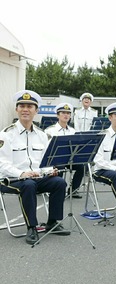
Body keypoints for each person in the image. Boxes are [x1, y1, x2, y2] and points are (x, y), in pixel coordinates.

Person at [0, 90, 70, 244]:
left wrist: (50, 171)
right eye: (22, 106)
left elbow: (45, 162)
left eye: (30, 107)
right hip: (11, 179)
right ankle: (32, 227)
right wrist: (22, 173)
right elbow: (2, 164)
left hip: (35, 177)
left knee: (59, 182)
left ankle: (53, 222)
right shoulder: (6, 134)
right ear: (16, 109)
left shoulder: (42, 135)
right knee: (29, 185)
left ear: (36, 111)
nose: (26, 109)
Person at [44, 103, 85, 199]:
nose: (66, 115)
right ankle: (57, 189)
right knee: (60, 166)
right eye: (63, 113)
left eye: (68, 113)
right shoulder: (49, 130)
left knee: (81, 167)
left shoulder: (73, 131)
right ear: (58, 115)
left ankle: (74, 190)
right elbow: (46, 149)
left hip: (69, 158)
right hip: (55, 159)